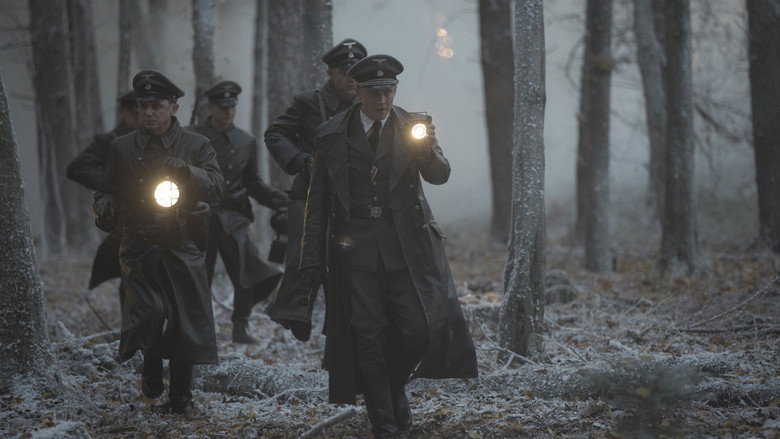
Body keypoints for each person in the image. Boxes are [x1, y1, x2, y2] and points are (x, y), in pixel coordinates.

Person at [298, 54, 478, 438]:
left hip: (407, 249)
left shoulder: (414, 126)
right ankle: (384, 424)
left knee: (419, 330)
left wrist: (424, 147)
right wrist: (311, 260)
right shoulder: (332, 133)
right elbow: (318, 202)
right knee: (368, 335)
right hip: (355, 251)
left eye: (388, 91)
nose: (382, 100)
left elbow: (440, 175)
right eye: (374, 92)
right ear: (358, 91)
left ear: (395, 90)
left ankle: (391, 387)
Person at [92, 69, 224, 416]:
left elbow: (217, 187)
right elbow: (106, 189)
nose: (149, 113)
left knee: (185, 321)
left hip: (183, 242)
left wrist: (187, 171)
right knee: (149, 310)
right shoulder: (122, 148)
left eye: (157, 106)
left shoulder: (196, 145)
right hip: (140, 244)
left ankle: (180, 398)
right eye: (143, 106)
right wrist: (104, 208)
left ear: (173, 107)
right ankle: (150, 361)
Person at [264, 38, 367, 342]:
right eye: (344, 72)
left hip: (352, 198)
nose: (351, 79)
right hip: (309, 192)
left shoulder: (369, 104)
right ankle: (295, 311)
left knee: (352, 261)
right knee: (304, 254)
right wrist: (301, 161)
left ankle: (348, 323)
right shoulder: (308, 102)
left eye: (356, 73)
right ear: (330, 73)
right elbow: (275, 134)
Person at [189, 80, 288, 344]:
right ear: (211, 107)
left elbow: (252, 182)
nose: (228, 111)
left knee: (248, 272)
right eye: (223, 107)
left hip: (235, 217)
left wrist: (277, 199)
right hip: (198, 217)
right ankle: (198, 330)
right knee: (198, 277)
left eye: (232, 106)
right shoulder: (193, 138)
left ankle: (240, 327)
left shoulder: (245, 141)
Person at [67, 91, 141, 298]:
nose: (139, 117)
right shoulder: (110, 142)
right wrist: (115, 184)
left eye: (142, 112)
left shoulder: (157, 139)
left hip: (159, 215)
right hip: (126, 218)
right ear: (123, 112)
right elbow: (78, 168)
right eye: (134, 113)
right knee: (131, 276)